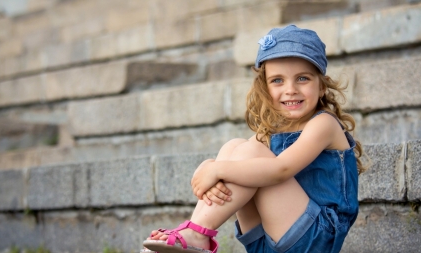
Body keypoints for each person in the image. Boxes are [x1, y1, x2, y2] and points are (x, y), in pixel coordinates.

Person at [141, 24, 366, 253]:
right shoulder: (270, 132)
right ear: (265, 88)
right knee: (235, 147)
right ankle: (195, 231)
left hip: (315, 239)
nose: (290, 89)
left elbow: (281, 169)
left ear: (321, 87)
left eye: (303, 78)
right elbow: (239, 160)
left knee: (249, 153)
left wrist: (218, 171)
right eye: (277, 80)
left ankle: (198, 233)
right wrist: (209, 166)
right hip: (266, 242)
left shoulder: (323, 124)